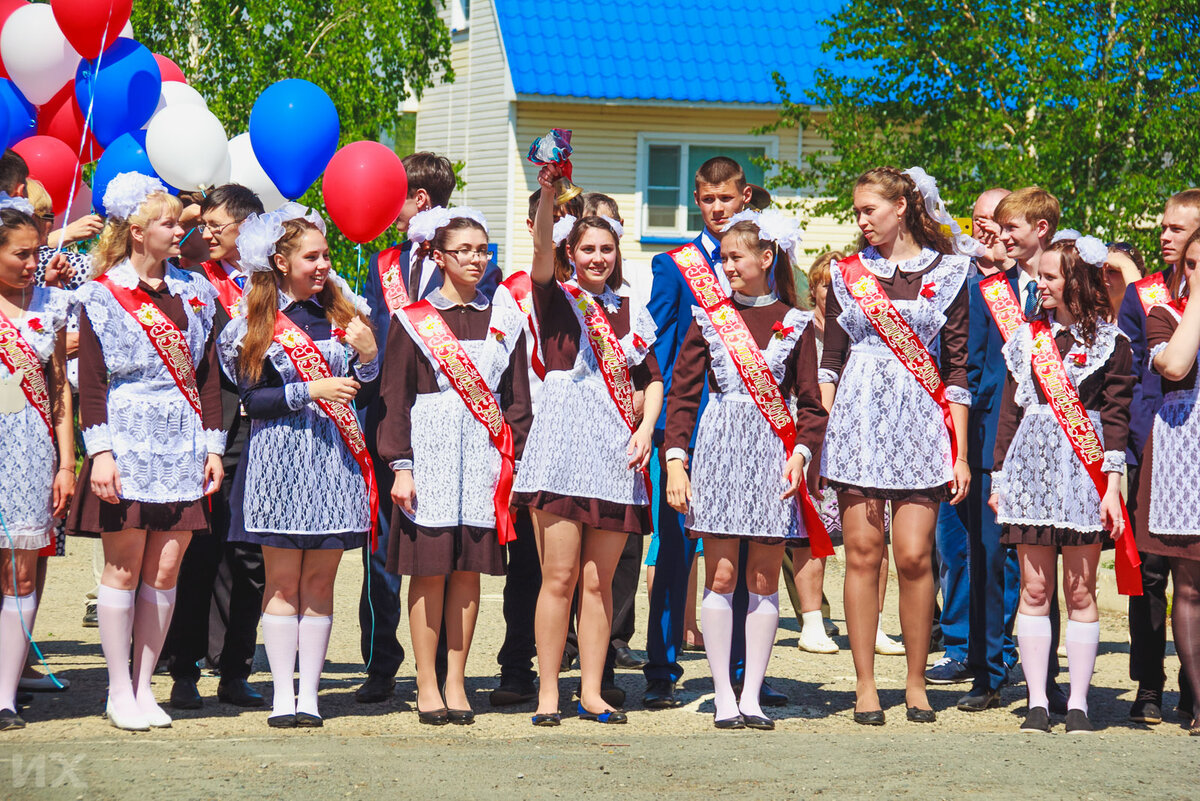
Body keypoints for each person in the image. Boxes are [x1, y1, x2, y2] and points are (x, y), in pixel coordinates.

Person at [68, 172, 226, 731]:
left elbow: (208, 377)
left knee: (166, 568)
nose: (180, 231)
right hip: (128, 435)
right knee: (124, 566)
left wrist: (212, 447)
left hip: (183, 440)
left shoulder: (195, 292)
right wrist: (100, 454)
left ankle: (143, 685)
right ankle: (117, 690)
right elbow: (91, 381)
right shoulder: (101, 294)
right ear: (137, 232)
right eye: (168, 223)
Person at [819, 167, 973, 725]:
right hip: (858, 425)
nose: (862, 221)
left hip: (922, 426)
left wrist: (959, 451)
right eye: (857, 212)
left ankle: (915, 682)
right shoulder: (846, 274)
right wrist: (830, 429)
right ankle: (865, 685)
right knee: (862, 555)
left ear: (901, 207)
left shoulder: (951, 273)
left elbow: (957, 368)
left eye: (870, 210)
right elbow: (830, 361)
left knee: (912, 555)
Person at [664, 210, 826, 729]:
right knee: (721, 574)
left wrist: (801, 454)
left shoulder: (796, 322)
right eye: (724, 258)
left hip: (773, 457)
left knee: (761, 577)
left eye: (736, 257)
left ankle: (752, 694)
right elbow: (682, 395)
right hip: (719, 451)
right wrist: (676, 461)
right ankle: (722, 695)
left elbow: (810, 404)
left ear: (766, 258)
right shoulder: (708, 318)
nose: (727, 266)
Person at [217, 204, 378, 728]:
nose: (323, 265)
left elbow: (365, 391)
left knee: (321, 585)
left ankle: (310, 695)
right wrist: (312, 389)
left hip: (334, 459)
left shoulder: (345, 315)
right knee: (282, 583)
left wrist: (370, 356)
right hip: (278, 461)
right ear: (281, 262)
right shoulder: (255, 322)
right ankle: (281, 695)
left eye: (326, 255)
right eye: (312, 257)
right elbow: (252, 401)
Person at [514, 163, 662, 725]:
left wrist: (645, 430)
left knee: (599, 585)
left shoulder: (631, 309)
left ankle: (593, 691)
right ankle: (549, 692)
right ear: (570, 253)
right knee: (559, 578)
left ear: (616, 252)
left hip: (615, 452)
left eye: (606, 249)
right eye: (587, 249)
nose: (598, 258)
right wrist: (548, 190)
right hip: (560, 450)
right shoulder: (556, 297)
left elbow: (652, 379)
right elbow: (539, 253)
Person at [356, 153, 504, 705]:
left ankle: (447, 674)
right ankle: (381, 663)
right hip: (395, 421)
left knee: (457, 555)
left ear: (419, 198)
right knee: (386, 552)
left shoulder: (481, 265)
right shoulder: (384, 263)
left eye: (393, 196)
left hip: (466, 432)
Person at [643, 156, 788, 710]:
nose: (717, 208)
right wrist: (661, 423)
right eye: (707, 199)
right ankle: (662, 668)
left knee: (749, 552)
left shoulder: (767, 253)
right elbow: (659, 342)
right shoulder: (675, 265)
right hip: (690, 426)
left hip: (754, 428)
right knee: (676, 548)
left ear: (744, 196)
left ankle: (747, 673)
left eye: (726, 198)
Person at [378, 207, 532, 725]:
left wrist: (514, 462)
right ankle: (426, 681)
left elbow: (517, 400)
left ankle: (456, 680)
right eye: (462, 250)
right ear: (438, 257)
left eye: (482, 250)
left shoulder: (506, 317)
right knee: (429, 571)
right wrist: (401, 466)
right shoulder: (413, 319)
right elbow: (395, 398)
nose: (474, 258)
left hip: (486, 458)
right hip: (430, 454)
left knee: (468, 572)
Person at [990, 235, 1134, 733]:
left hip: (1084, 474)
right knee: (1034, 589)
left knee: (1080, 590)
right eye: (1040, 276)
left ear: (1077, 282)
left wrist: (1112, 486)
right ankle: (1036, 702)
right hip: (1031, 470)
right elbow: (1009, 415)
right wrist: (999, 478)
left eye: (1050, 276)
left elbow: (1117, 418)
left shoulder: (1112, 343)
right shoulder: (1027, 339)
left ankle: (1078, 704)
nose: (1041, 285)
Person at [163, 184, 267, 712]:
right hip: (210, 429)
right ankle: (184, 668)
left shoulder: (272, 281)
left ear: (247, 228)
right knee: (200, 548)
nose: (205, 234)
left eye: (215, 226)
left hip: (264, 431)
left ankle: (235, 669)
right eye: (202, 226)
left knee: (249, 556)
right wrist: (188, 215)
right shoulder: (193, 278)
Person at [489, 188, 584, 708]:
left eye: (573, 220)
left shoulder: (600, 290)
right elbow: (503, 370)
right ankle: (517, 664)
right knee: (528, 562)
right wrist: (517, 438)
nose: (563, 230)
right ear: (535, 226)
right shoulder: (514, 291)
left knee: (584, 564)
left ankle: (589, 663)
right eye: (553, 219)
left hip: (587, 440)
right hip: (531, 439)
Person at [1118, 188, 1200, 724]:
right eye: (1163, 227)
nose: (1165, 236)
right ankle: (1149, 683)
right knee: (1148, 572)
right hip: (1152, 440)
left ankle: (1193, 693)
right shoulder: (1144, 295)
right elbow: (1129, 373)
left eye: (1177, 229)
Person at [0, 205, 74, 730]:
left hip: (31, 448)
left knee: (20, 571)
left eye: (36, 253)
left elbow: (60, 388)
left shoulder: (52, 306)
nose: (32, 264)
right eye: (21, 254)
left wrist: (67, 463)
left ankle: (5, 694)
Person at [1103, 243, 1145, 323]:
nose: (1103, 277)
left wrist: (1126, 264)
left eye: (1112, 271)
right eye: (1099, 271)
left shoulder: (1149, 317)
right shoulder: (1086, 317)